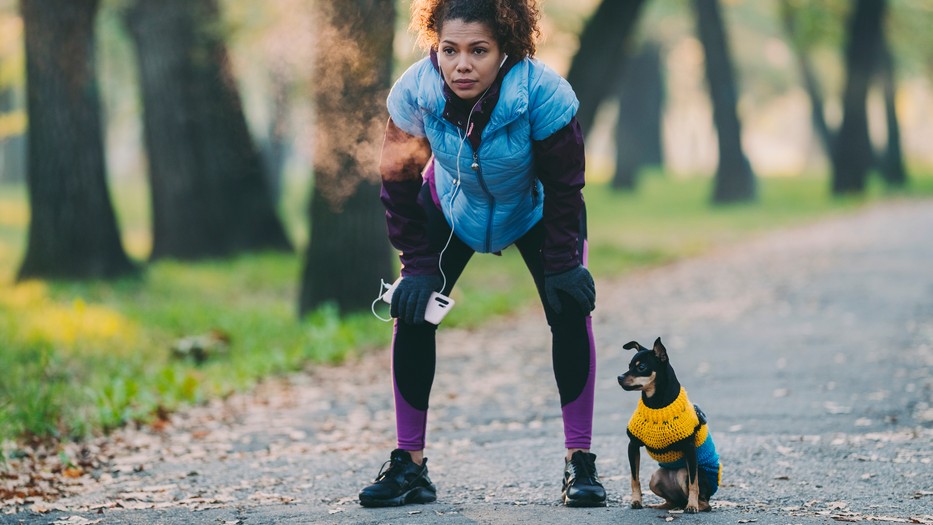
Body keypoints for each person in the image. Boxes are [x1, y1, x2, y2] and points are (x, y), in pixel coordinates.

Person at [359, 0, 604, 508]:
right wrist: (417, 265)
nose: (461, 65)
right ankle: (410, 466)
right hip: (453, 209)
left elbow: (566, 186)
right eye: (449, 50)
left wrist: (563, 262)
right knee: (414, 310)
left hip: (535, 210)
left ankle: (579, 462)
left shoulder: (544, 94)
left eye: (478, 51)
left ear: (506, 49)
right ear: (436, 47)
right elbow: (397, 179)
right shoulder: (417, 92)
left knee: (569, 308)